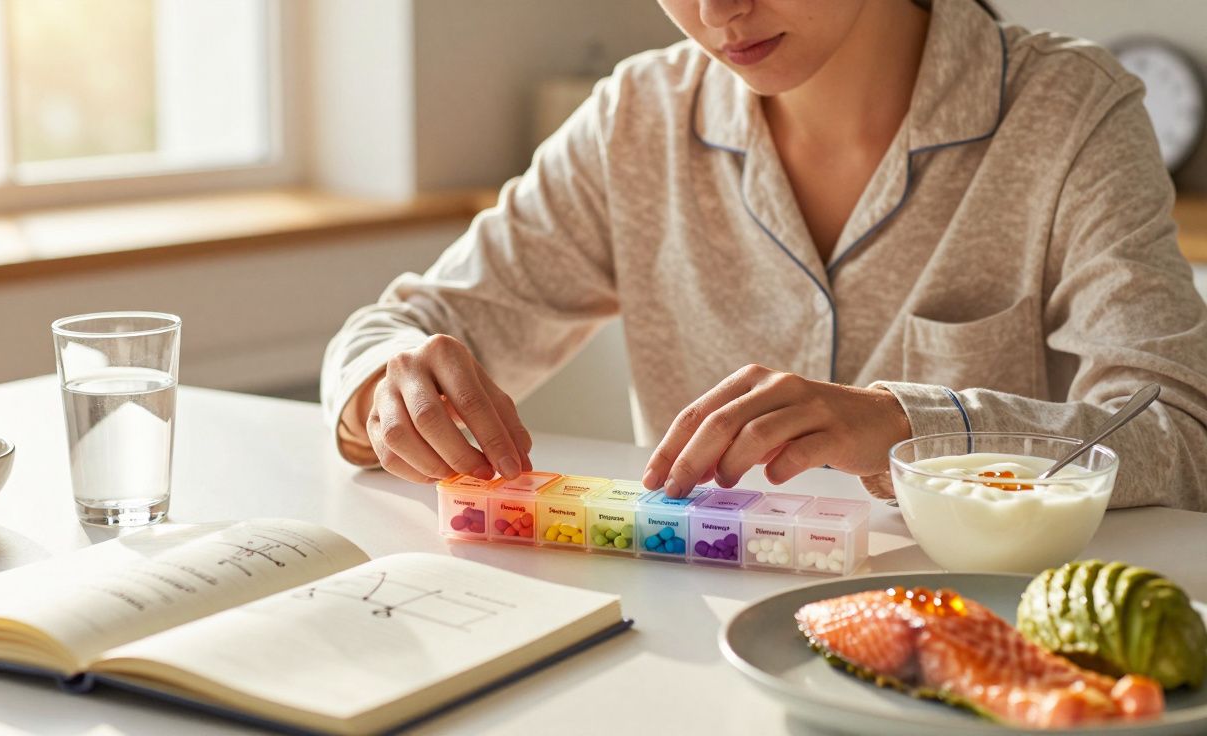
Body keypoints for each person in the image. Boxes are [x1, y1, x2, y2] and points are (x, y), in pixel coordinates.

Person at [322, 0, 1207, 511]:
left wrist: (913, 428)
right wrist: (380, 386)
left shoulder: (1072, 112)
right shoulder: (635, 118)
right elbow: (403, 326)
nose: (717, 10)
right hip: (698, 659)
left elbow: (1178, 437)